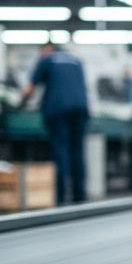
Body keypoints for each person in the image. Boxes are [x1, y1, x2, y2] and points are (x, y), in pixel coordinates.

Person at [21, 42, 89, 204]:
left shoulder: (47, 60)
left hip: (58, 109)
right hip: (80, 108)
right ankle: (79, 196)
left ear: (47, 49)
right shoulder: (76, 60)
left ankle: (60, 196)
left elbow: (30, 88)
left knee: (60, 150)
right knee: (77, 151)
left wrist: (20, 102)